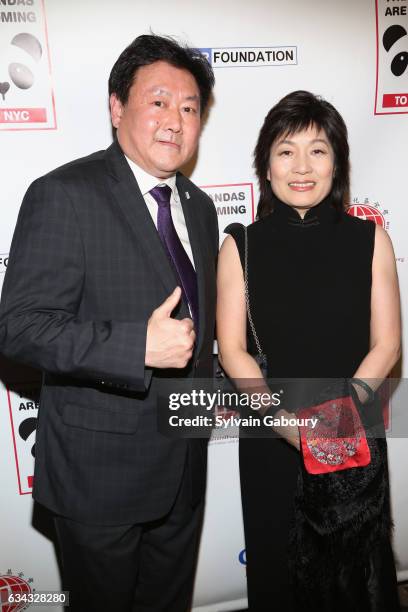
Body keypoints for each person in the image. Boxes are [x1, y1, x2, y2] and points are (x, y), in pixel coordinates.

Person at [0, 34, 218, 612]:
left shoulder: (198, 205)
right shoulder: (63, 194)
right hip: (100, 476)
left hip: (183, 467)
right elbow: (18, 326)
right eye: (159, 101)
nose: (176, 120)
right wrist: (135, 346)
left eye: (190, 107)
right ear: (117, 108)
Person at [216, 90, 401, 611]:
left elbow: (387, 344)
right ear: (265, 165)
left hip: (352, 435)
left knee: (355, 582)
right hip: (272, 439)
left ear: (336, 162)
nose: (302, 166)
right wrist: (289, 427)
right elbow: (232, 351)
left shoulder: (371, 240)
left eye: (317, 150)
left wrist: (338, 420)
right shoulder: (240, 246)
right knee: (280, 579)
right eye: (285, 150)